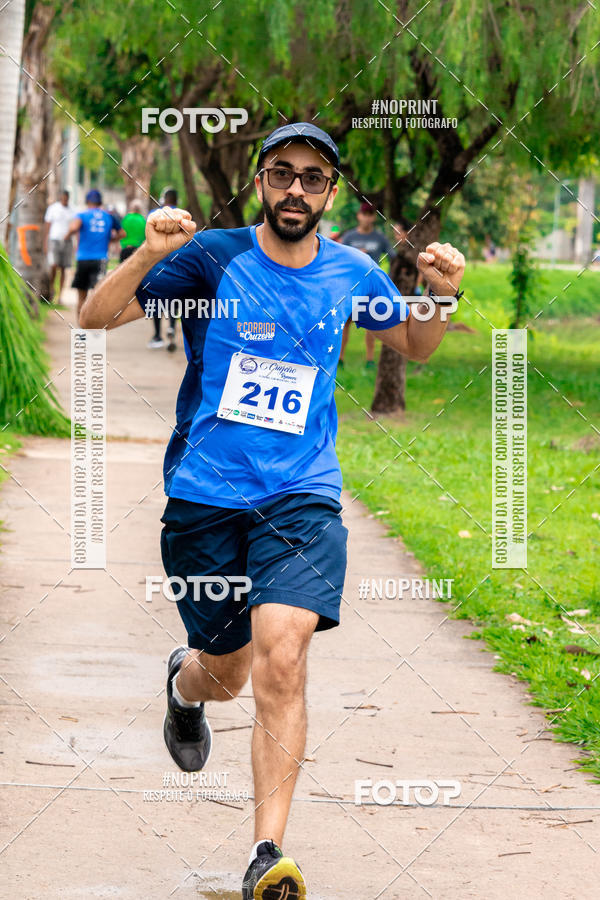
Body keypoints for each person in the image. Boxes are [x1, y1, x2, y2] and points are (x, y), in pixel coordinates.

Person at [80, 122, 465, 899]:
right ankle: (184, 690)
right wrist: (152, 253)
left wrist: (444, 294)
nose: (297, 189)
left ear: (331, 192)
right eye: (282, 174)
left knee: (283, 657)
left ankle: (267, 852)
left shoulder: (353, 271)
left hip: (303, 494)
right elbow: (96, 316)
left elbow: (417, 346)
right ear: (260, 181)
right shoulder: (214, 258)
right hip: (206, 497)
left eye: (313, 178)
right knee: (226, 673)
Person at [339, 201, 396, 368]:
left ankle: (370, 360)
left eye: (370, 214)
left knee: (372, 324)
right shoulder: (349, 237)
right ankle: (340, 359)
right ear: (359, 216)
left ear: (373, 218)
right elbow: (340, 260)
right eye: (364, 214)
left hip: (371, 287)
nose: (367, 218)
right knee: (345, 323)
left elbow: (394, 257)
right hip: (350, 286)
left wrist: (389, 277)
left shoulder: (379, 238)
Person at [66, 189, 120, 320]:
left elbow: (73, 228)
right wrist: (110, 239)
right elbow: (122, 233)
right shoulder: (109, 216)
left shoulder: (82, 215)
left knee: (81, 296)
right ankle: (95, 330)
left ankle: (81, 329)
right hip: (100, 259)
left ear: (87, 201)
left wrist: (67, 235)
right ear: (100, 202)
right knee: (97, 295)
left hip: (83, 258)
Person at [148, 188, 179, 350]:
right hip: (177, 264)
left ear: (164, 199)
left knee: (155, 300)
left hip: (157, 263)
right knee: (174, 299)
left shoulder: (154, 214)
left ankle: (157, 335)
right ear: (176, 200)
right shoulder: (183, 215)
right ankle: (172, 327)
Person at [43, 190, 75, 302]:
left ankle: (60, 296)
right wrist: (45, 241)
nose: (64, 200)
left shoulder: (72, 210)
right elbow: (47, 225)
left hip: (67, 241)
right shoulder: (53, 208)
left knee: (63, 268)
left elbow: (74, 227)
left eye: (66, 198)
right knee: (53, 265)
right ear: (60, 198)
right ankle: (51, 290)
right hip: (54, 240)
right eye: (63, 198)